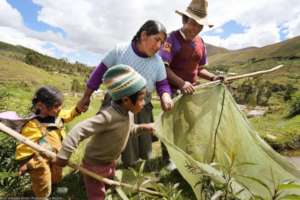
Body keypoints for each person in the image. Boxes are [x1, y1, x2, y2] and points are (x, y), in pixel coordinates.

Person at [76, 20, 173, 167]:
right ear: (144, 35)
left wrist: (165, 96)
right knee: (111, 139)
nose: (159, 46)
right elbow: (98, 74)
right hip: (115, 105)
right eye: (157, 40)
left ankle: (129, 167)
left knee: (136, 142)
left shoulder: (158, 61)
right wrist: (86, 97)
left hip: (141, 105)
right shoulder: (120, 50)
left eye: (162, 42)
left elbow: (163, 84)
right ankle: (98, 168)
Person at [54, 65, 155, 200]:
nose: (143, 103)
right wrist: (63, 155)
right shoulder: (108, 116)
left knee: (107, 187)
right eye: (141, 99)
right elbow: (78, 130)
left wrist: (144, 127)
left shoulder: (128, 114)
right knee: (97, 195)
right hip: (94, 164)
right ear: (126, 100)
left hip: (110, 162)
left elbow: (129, 130)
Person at [159, 0, 224, 170]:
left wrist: (213, 77)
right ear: (185, 20)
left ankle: (186, 155)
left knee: (191, 125)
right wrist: (181, 83)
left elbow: (200, 69)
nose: (196, 28)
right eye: (193, 23)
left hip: (193, 90)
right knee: (172, 125)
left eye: (200, 25)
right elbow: (163, 68)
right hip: (173, 91)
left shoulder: (200, 43)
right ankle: (168, 159)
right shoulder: (171, 39)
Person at [15, 86, 81, 198]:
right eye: (56, 106)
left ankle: (54, 191)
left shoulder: (57, 116)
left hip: (56, 155)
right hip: (40, 161)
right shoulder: (33, 125)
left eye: (60, 105)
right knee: (43, 181)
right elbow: (24, 146)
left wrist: (78, 109)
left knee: (57, 175)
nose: (60, 108)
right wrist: (26, 163)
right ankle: (43, 196)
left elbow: (68, 114)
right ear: (40, 105)